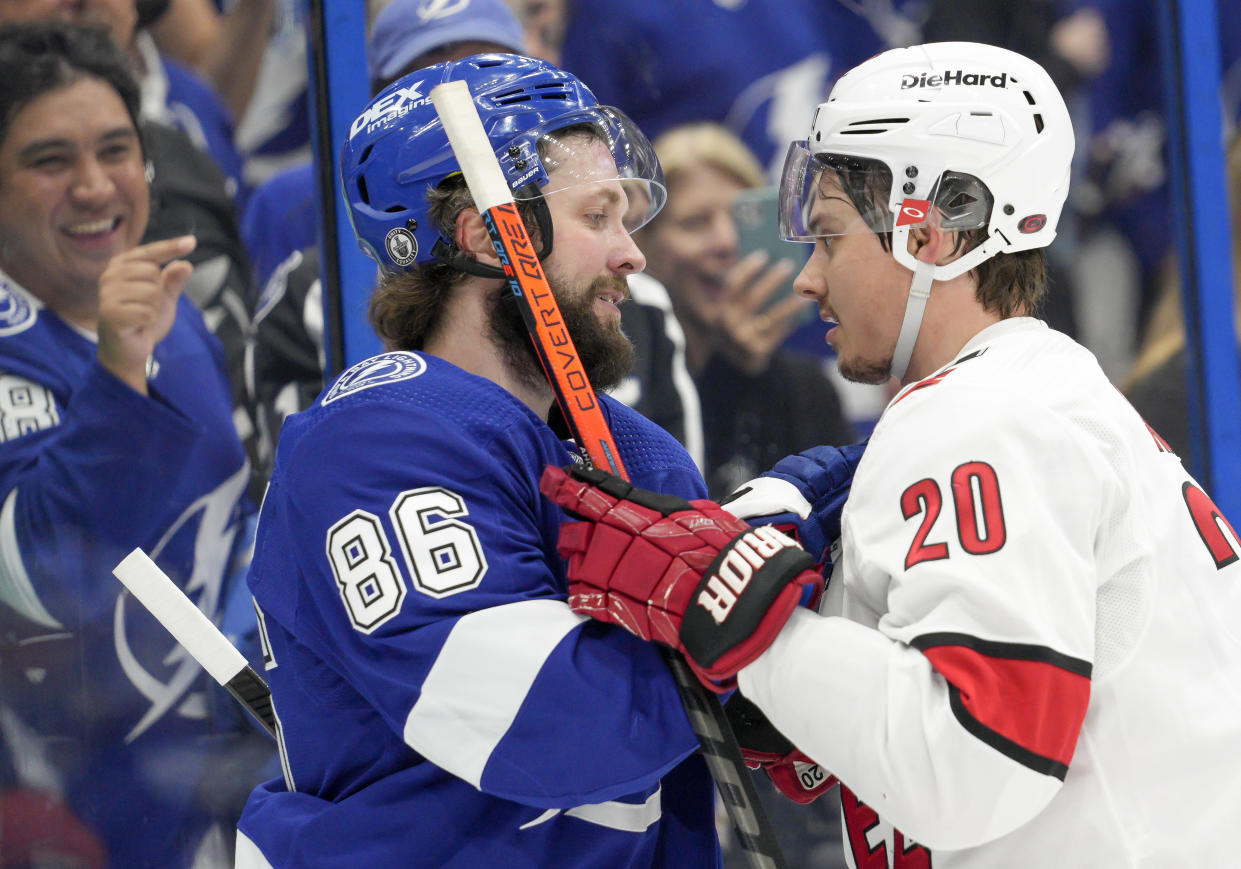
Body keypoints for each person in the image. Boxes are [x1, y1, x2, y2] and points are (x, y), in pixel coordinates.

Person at [540, 41, 1241, 867]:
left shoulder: (977, 418)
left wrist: (730, 602)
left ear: (933, 235)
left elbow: (973, 768)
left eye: (830, 237)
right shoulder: (1046, 393)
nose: (807, 278)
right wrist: (810, 675)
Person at [233, 53, 721, 868]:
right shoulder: (372, 446)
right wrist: (764, 563)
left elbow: (669, 787)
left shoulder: (638, 452)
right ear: (490, 236)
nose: (631, 254)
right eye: (598, 216)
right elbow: (546, 728)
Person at [0, 20, 261, 866]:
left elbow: (226, 516)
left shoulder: (170, 312)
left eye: (115, 149)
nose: (93, 186)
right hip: (60, 810)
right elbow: (43, 573)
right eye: (49, 161)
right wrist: (118, 369)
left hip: (210, 782)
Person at [639, 122, 856, 497]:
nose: (725, 241)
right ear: (643, 243)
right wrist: (725, 372)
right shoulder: (628, 387)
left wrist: (747, 372)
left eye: (742, 219)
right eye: (695, 223)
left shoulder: (808, 391)